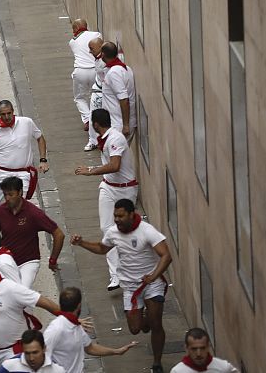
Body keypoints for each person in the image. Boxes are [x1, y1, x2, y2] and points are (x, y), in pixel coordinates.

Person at [70, 199, 172, 373]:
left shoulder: (147, 231)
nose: (116, 219)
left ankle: (157, 363)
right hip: (130, 286)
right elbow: (102, 249)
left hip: (151, 283)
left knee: (156, 324)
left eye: (120, 216)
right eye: (115, 215)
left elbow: (166, 256)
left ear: (131, 214)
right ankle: (145, 314)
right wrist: (81, 243)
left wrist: (153, 276)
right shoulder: (112, 233)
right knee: (135, 328)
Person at [74, 108, 138, 291]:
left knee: (125, 230)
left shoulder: (115, 138)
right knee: (106, 229)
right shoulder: (104, 138)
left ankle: (129, 269)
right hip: (108, 187)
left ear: (95, 124)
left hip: (125, 191)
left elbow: (115, 165)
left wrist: (90, 171)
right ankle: (115, 275)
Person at [0, 177, 64, 288]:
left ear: (20, 192)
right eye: (5, 195)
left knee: (21, 291)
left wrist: (53, 259)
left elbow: (59, 234)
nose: (7, 198)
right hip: (7, 261)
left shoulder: (34, 213)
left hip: (28, 261)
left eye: (11, 194)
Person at [44, 287, 138, 373]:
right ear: (79, 306)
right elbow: (40, 357)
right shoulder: (56, 329)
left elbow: (90, 348)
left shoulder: (76, 326)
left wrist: (117, 351)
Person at [0, 100, 49, 209]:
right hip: (0, 172)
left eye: (9, 113)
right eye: (3, 114)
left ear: (13, 111)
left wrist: (43, 160)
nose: (7, 117)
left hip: (22, 173)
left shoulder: (27, 122)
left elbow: (40, 138)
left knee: (19, 205)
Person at [67, 19, 101, 145]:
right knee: (94, 96)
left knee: (79, 97)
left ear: (75, 29)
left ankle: (87, 119)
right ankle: (95, 121)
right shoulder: (96, 35)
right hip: (94, 71)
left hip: (80, 72)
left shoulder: (72, 42)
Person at [100, 42, 136, 139]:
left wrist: (125, 125)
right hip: (117, 123)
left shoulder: (114, 73)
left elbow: (124, 99)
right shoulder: (125, 68)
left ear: (103, 54)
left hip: (118, 125)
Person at [171, 327, 238, 373]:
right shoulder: (177, 371)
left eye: (202, 348)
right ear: (186, 348)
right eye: (194, 349)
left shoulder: (224, 367)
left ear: (208, 347)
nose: (198, 353)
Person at [0, 330, 64, 373]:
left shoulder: (58, 370)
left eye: (35, 352)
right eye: (27, 353)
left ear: (44, 348)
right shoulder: (8, 367)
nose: (31, 358)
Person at [84, 36, 106, 151]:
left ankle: (100, 140)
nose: (89, 51)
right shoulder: (98, 57)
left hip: (104, 93)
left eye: (92, 49)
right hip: (97, 91)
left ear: (100, 48)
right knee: (92, 116)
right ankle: (93, 140)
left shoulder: (104, 62)